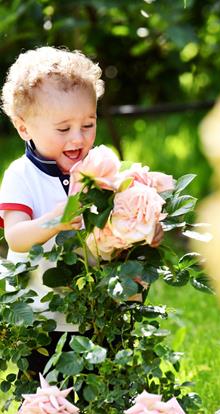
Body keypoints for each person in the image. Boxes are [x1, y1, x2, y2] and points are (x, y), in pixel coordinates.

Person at [0, 46, 105, 378]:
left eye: (88, 124)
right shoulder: (21, 176)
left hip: (95, 310)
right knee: (50, 394)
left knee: (98, 387)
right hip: (43, 316)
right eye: (63, 129)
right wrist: (54, 221)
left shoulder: (96, 168)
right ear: (24, 128)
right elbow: (15, 237)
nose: (78, 137)